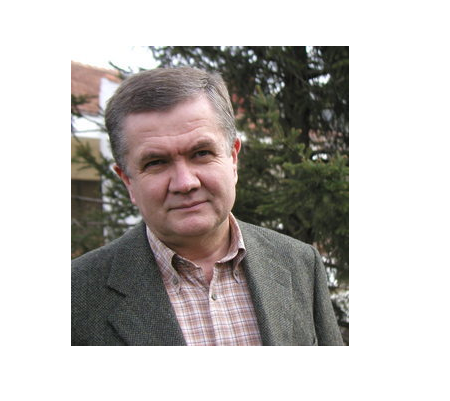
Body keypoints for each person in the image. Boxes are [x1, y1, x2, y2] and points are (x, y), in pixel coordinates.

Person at [71, 67, 344, 346]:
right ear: (128, 181)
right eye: (156, 163)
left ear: (233, 159)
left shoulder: (299, 263)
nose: (185, 183)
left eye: (201, 153)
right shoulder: (76, 296)